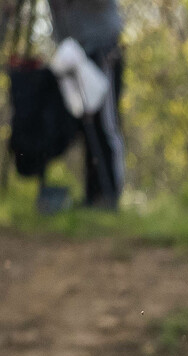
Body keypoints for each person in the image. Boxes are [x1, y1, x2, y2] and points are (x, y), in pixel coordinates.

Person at [47, 0, 124, 209]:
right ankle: (92, 196)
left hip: (102, 50)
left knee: (105, 125)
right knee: (83, 126)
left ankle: (110, 195)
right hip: (70, 55)